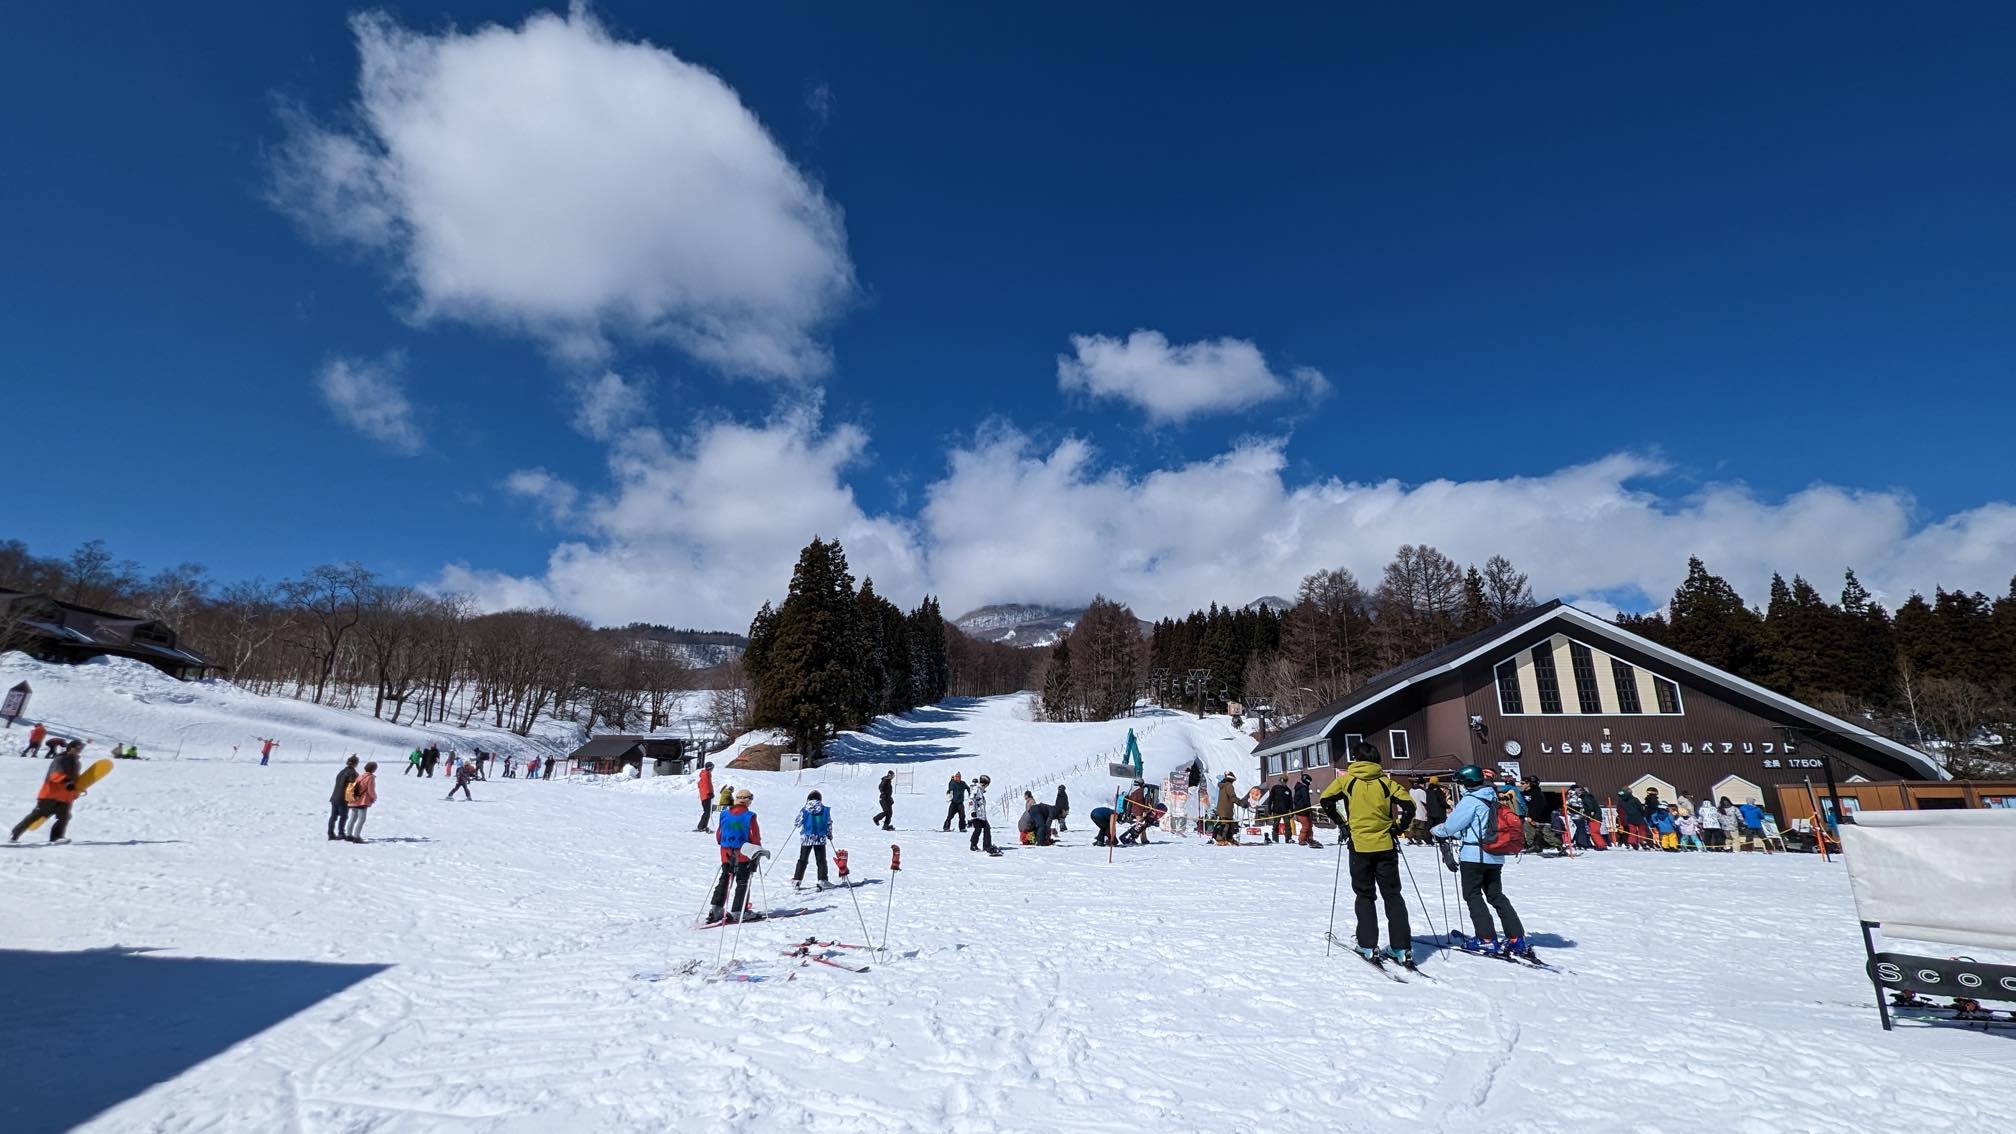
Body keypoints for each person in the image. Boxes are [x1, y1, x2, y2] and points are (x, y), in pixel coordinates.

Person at [1320, 741, 1417, 966]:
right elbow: (1409, 806)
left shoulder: (1347, 780)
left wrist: (1342, 824)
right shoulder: (1385, 782)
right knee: (1393, 896)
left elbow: (1326, 801)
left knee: (1365, 896)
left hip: (1360, 846)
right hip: (1385, 846)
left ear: (1356, 758)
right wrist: (1398, 828)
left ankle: (1367, 944)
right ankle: (1401, 948)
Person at [1433, 764, 1531, 958]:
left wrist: (1435, 830)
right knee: (1496, 895)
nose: (1460, 786)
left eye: (1461, 782)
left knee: (1473, 895)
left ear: (1468, 782)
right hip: (1496, 855)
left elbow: (1451, 827)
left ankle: (1486, 939)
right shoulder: (1493, 797)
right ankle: (1516, 938)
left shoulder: (1471, 800)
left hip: (1474, 856)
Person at [707, 789, 766, 923]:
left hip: (726, 853)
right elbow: (755, 837)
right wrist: (757, 850)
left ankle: (716, 909)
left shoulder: (724, 814)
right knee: (742, 881)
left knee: (725, 879)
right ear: (748, 801)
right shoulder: (750, 816)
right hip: (743, 853)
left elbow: (719, 835)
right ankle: (739, 911)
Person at [10, 740, 84, 844]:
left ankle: (57, 837)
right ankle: (15, 834)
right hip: (50, 794)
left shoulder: (77, 763)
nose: (78, 750)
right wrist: (67, 782)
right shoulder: (60, 759)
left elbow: (75, 780)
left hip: (65, 796)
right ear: (70, 748)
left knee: (64, 817)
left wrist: (75, 791)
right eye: (76, 748)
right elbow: (54, 774)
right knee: (36, 815)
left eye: (80, 748)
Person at [792, 790, 832, 890]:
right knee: (821, 860)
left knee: (803, 859)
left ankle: (797, 880)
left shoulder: (805, 809)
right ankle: (822, 880)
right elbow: (828, 823)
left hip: (807, 838)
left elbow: (797, 823)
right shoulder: (824, 809)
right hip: (820, 838)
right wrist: (829, 834)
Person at [344, 761, 379, 843]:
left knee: (352, 818)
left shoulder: (360, 776)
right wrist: (374, 797)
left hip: (354, 800)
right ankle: (356, 836)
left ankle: (349, 835)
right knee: (361, 819)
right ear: (373, 769)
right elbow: (371, 790)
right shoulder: (370, 778)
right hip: (362, 801)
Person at [1212, 772, 1248, 845]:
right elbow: (1233, 797)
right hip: (1226, 810)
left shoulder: (1222, 786)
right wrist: (1241, 803)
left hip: (1221, 809)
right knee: (1226, 824)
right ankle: (1221, 840)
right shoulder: (1229, 785)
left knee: (1228, 824)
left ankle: (1228, 838)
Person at [330, 756, 360, 840]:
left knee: (333, 816)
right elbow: (352, 786)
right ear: (355, 763)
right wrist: (355, 797)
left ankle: (330, 833)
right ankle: (341, 833)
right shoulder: (352, 773)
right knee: (343, 816)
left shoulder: (342, 772)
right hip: (343, 798)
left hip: (335, 797)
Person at [968, 775, 998, 854]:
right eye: (987, 784)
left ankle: (986, 845)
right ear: (985, 783)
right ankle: (973, 845)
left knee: (986, 828)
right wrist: (973, 811)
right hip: (976, 814)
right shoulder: (976, 789)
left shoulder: (980, 790)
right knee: (978, 829)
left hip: (981, 815)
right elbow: (971, 800)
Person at [1293, 773, 1321, 847]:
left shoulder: (1300, 788)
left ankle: (1309, 838)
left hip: (1302, 810)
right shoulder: (1303, 789)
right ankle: (1301, 839)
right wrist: (1308, 809)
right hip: (1302, 811)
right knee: (1306, 825)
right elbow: (1306, 801)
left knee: (1309, 825)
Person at [1263, 779, 1293, 844]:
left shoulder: (1288, 790)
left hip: (1286, 811)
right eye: (1282, 782)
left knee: (1288, 826)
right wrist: (1269, 809)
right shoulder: (1275, 788)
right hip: (1276, 810)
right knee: (1275, 825)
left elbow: (1290, 801)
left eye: (1284, 782)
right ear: (1280, 782)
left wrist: (1292, 810)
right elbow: (1270, 799)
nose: (1283, 783)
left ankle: (1288, 839)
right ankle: (1275, 839)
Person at [1408, 780, 1431, 845]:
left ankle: (1410, 837)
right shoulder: (1421, 791)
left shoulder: (1411, 790)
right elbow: (1425, 801)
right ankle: (1418, 839)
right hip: (1421, 811)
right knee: (1420, 827)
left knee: (1412, 826)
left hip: (1413, 811)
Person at [696, 762, 716, 832]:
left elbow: (700, 785)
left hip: (704, 796)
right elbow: (708, 785)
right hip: (706, 796)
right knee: (707, 812)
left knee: (707, 812)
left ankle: (702, 826)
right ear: (710, 768)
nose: (712, 769)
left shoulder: (703, 775)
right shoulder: (706, 775)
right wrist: (709, 792)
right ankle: (701, 826)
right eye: (712, 768)